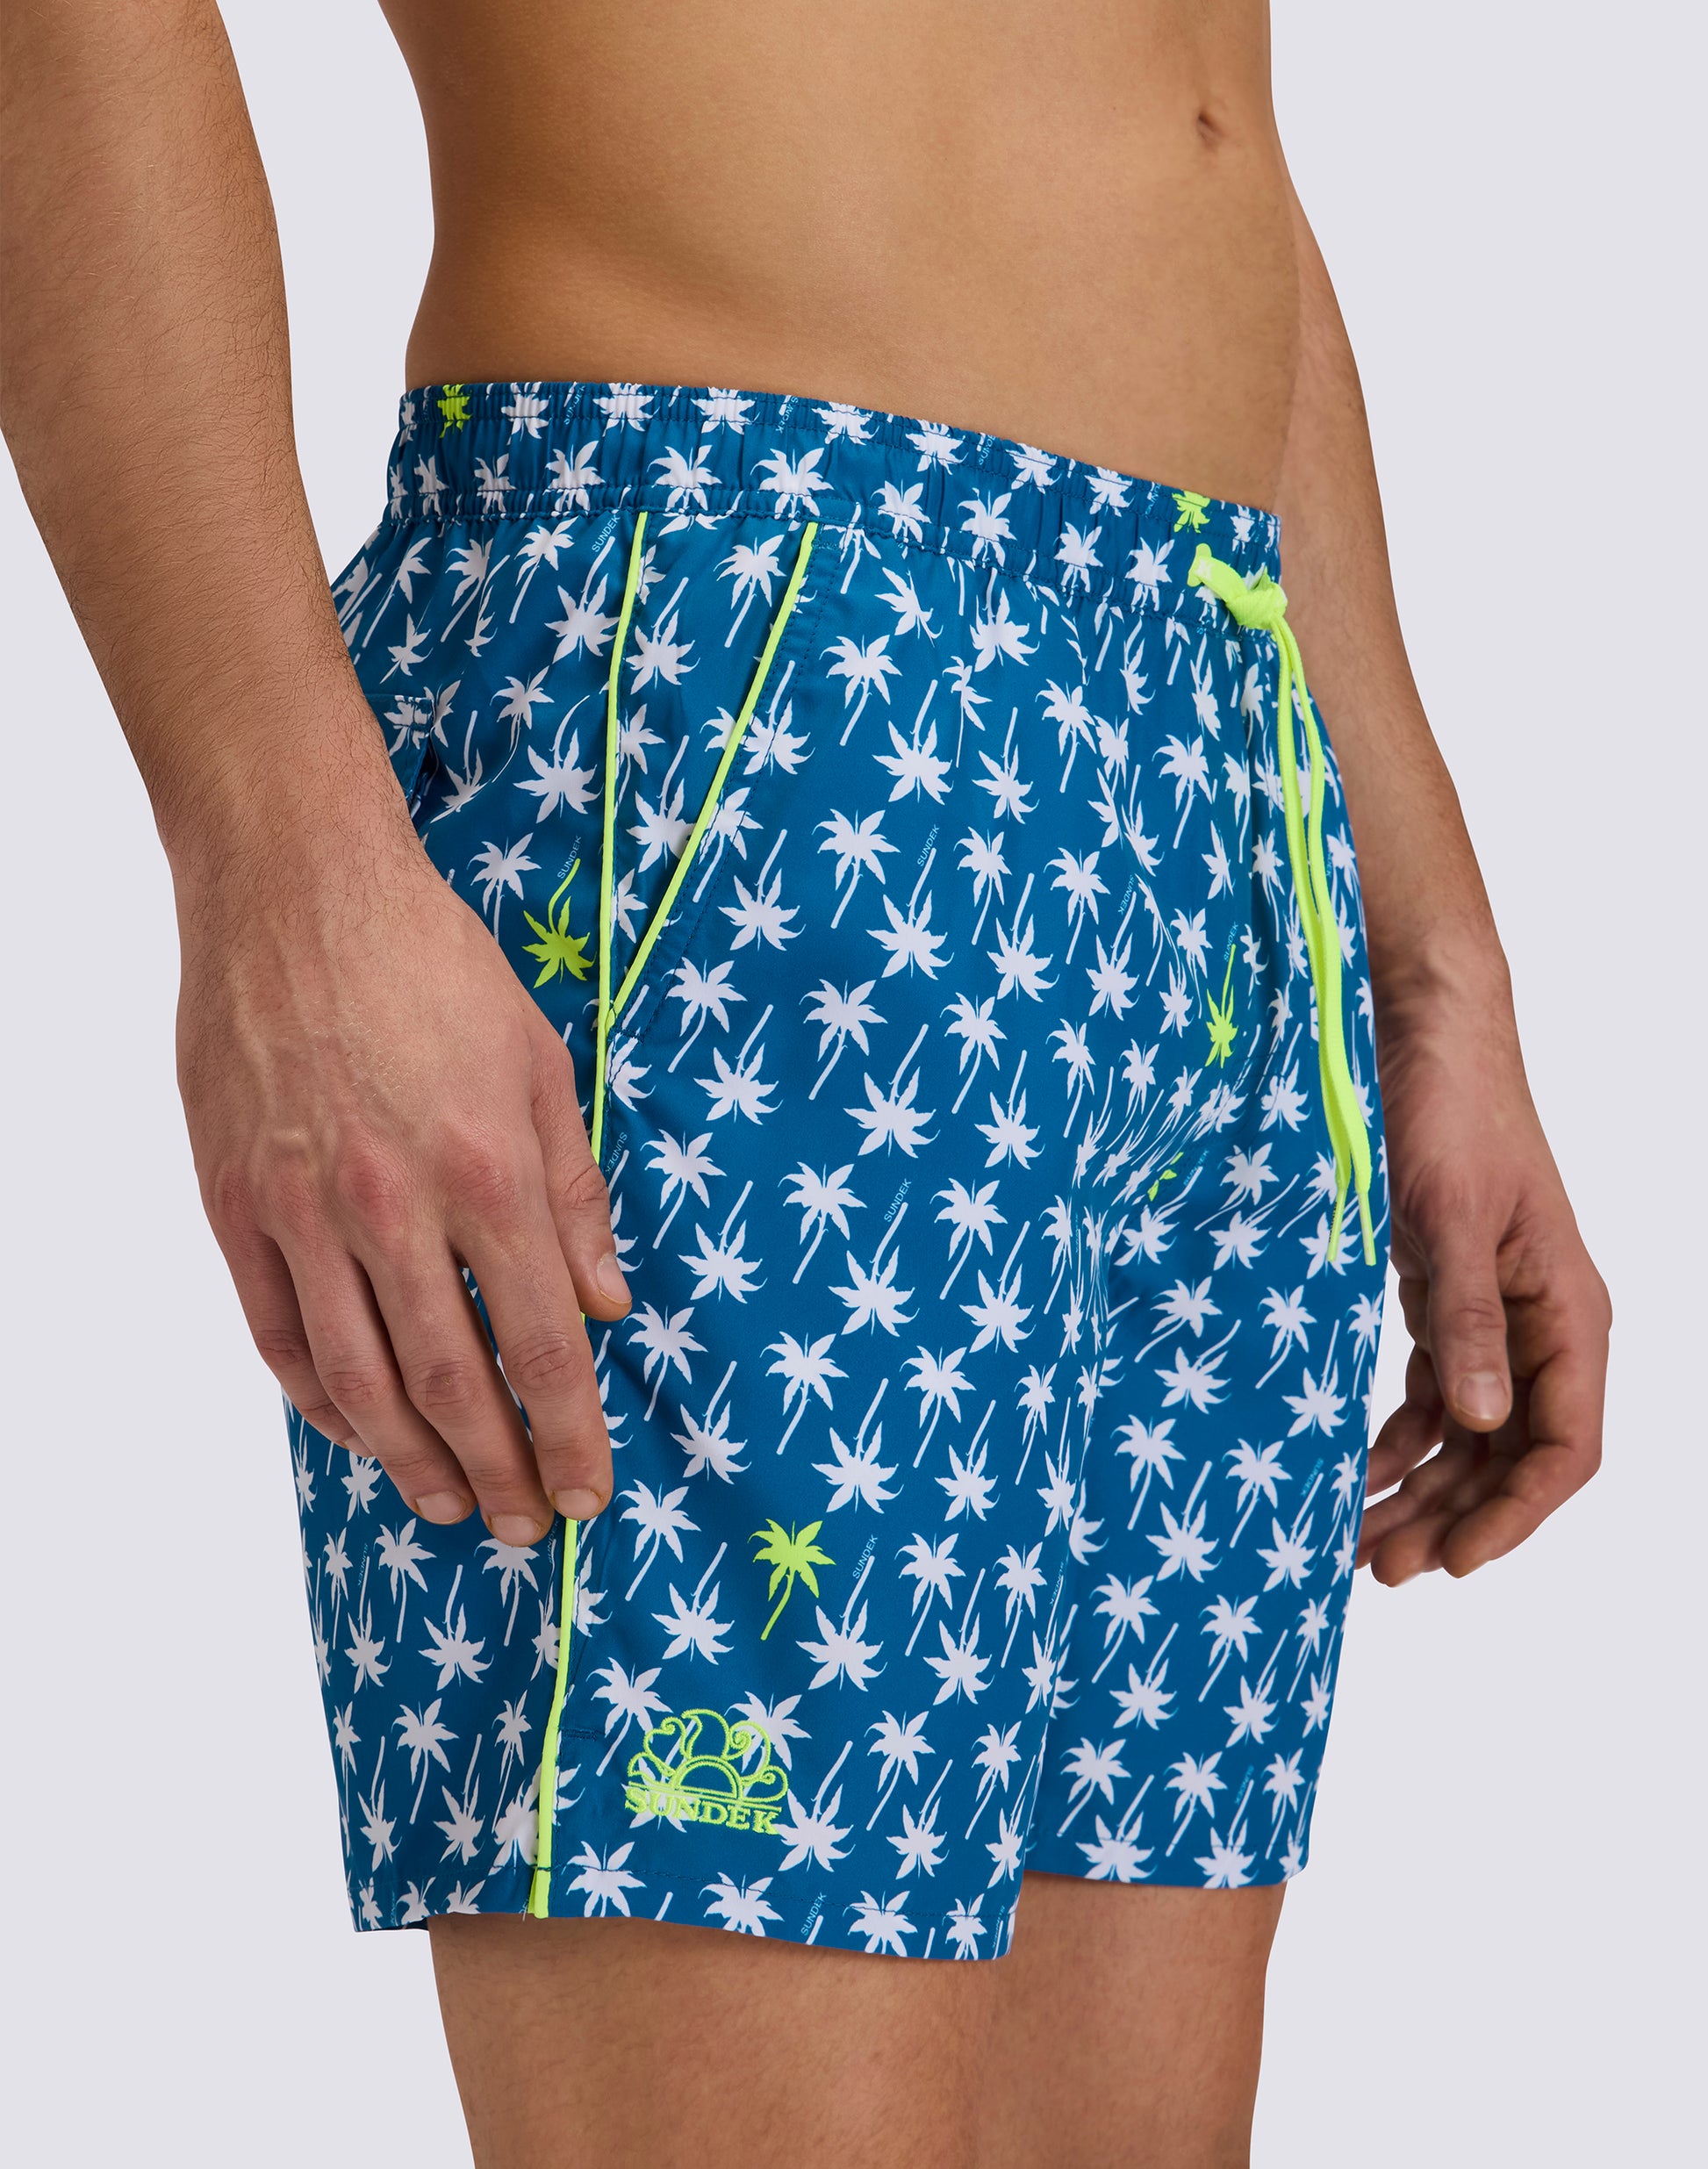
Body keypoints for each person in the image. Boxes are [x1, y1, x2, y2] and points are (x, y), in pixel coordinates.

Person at [2, 4, 1610, 2163]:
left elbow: (1190, 129)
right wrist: (275, 850)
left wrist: (1430, 961)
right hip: (751, 677)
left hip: (1222, 731)